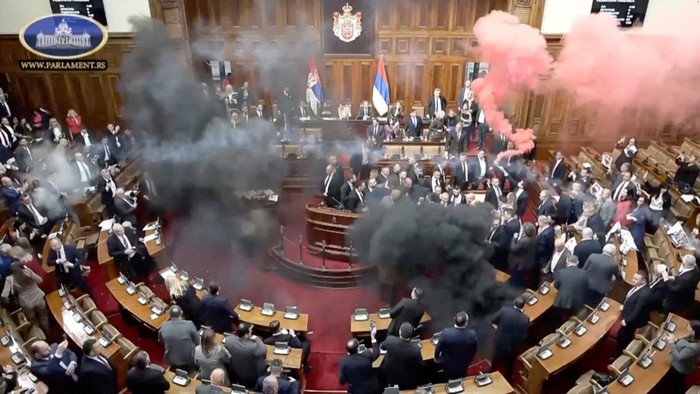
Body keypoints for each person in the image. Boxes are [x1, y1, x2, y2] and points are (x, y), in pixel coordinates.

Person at [1, 262, 49, 335]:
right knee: (44, 317)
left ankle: (40, 336)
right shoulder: (28, 272)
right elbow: (40, 280)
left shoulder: (9, 279)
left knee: (33, 321)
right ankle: (48, 333)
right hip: (39, 298)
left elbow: (4, 295)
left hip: (26, 303)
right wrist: (32, 275)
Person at [491, 296, 530, 380]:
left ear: (514, 302)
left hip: (500, 340)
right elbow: (523, 336)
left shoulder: (504, 310)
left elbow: (493, 320)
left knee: (495, 357)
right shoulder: (525, 319)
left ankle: (491, 371)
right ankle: (508, 376)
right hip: (512, 345)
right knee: (510, 361)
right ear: (523, 305)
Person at [434, 311, 478, 380]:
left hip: (448, 363)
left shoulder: (446, 332)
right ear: (466, 322)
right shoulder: (472, 334)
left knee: (447, 377)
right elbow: (473, 350)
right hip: (463, 363)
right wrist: (470, 360)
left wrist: (436, 358)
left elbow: (438, 348)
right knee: (462, 377)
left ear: (454, 319)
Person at [380, 322, 423, 389]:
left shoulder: (390, 340)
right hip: (407, 378)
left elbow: (382, 347)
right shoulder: (415, 349)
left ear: (399, 332)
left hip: (389, 374)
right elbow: (420, 365)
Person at [338, 323, 380, 394]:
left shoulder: (344, 361)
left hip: (355, 390)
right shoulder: (367, 355)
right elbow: (376, 353)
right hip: (371, 389)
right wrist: (373, 337)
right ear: (358, 348)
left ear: (348, 351)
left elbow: (341, 381)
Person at [224, 323, 267, 388]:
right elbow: (263, 351)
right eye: (250, 331)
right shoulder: (253, 347)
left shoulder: (228, 340)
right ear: (246, 335)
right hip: (249, 374)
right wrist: (257, 339)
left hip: (234, 370)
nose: (251, 331)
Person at [616, 271, 650, 353]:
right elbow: (630, 298)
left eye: (636, 279)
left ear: (643, 281)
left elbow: (637, 310)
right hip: (628, 314)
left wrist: (627, 321)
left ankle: (619, 353)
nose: (633, 280)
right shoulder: (638, 287)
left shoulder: (644, 294)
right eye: (633, 277)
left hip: (632, 321)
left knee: (623, 337)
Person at [158, 305, 199, 371]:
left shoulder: (163, 326)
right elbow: (197, 341)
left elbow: (160, 340)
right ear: (181, 313)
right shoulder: (189, 325)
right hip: (188, 358)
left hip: (171, 358)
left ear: (169, 315)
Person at [666, 320, 700, 394]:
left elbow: (679, 358)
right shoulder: (692, 336)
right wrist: (675, 340)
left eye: (689, 327)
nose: (687, 328)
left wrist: (671, 343)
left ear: (694, 331)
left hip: (680, 369)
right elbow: (684, 342)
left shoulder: (694, 347)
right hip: (678, 362)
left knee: (676, 385)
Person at [553, 255, 588, 319]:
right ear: (577, 262)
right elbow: (585, 286)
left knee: (561, 316)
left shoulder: (560, 272)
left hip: (563, 301)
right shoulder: (584, 273)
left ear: (567, 261)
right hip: (578, 301)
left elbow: (556, 285)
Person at [508, 223, 536, 289]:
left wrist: (513, 239)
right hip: (527, 263)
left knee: (515, 281)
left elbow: (513, 248)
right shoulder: (533, 239)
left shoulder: (523, 241)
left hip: (519, 264)